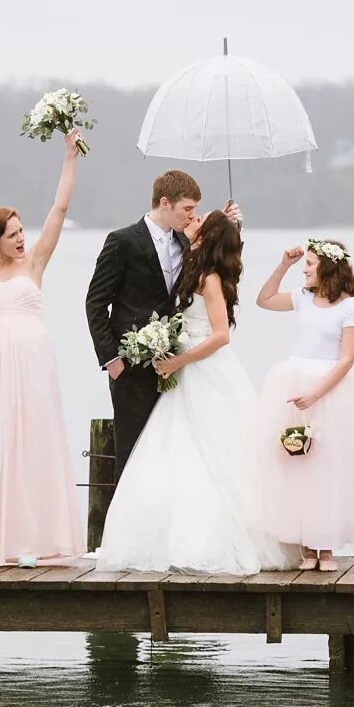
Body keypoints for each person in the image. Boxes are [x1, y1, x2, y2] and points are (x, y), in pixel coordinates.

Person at [95, 211, 287, 575]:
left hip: (204, 369)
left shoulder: (210, 279)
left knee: (216, 451)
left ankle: (222, 537)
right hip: (187, 369)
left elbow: (220, 336)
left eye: (200, 218)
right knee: (180, 448)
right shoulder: (194, 265)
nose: (193, 219)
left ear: (206, 237)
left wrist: (177, 362)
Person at [0, 130, 86, 569]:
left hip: (35, 360)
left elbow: (60, 208)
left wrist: (69, 157)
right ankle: (1, 540)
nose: (20, 239)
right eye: (11, 235)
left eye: (20, 231)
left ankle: (45, 538)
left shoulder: (35, 263)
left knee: (38, 439)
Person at [84, 170, 241, 479]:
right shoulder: (122, 241)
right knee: (133, 454)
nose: (191, 216)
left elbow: (220, 270)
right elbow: (95, 302)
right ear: (165, 203)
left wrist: (230, 228)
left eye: (196, 210)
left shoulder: (189, 242)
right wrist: (112, 359)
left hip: (181, 368)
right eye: (188, 209)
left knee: (175, 454)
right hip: (132, 368)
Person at [252, 239, 354, 570]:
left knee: (330, 464)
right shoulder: (302, 298)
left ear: (327, 267)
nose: (305, 269)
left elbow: (346, 360)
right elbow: (264, 299)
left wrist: (315, 393)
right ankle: (306, 547)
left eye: (310, 263)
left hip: (331, 390)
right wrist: (283, 264)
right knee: (296, 460)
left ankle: (325, 547)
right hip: (293, 381)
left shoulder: (350, 308)